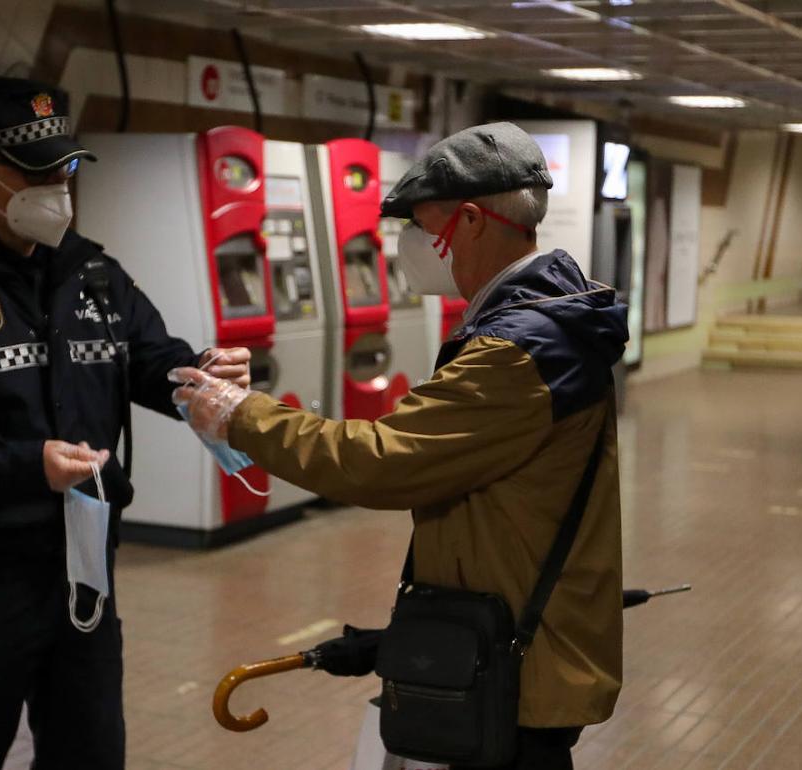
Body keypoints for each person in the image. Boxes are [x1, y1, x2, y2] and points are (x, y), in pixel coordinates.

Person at [173, 123, 628, 770]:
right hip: (515, 638)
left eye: (419, 227)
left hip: (514, 666)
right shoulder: (553, 315)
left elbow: (380, 461)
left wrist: (242, 416)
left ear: (470, 221)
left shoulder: (517, 351)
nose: (407, 246)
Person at [0, 75, 250, 770]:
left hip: (86, 572)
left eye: (64, 166)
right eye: (33, 171)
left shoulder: (95, 275)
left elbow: (151, 359)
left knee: (92, 756)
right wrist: (24, 465)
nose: (57, 185)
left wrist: (201, 379)